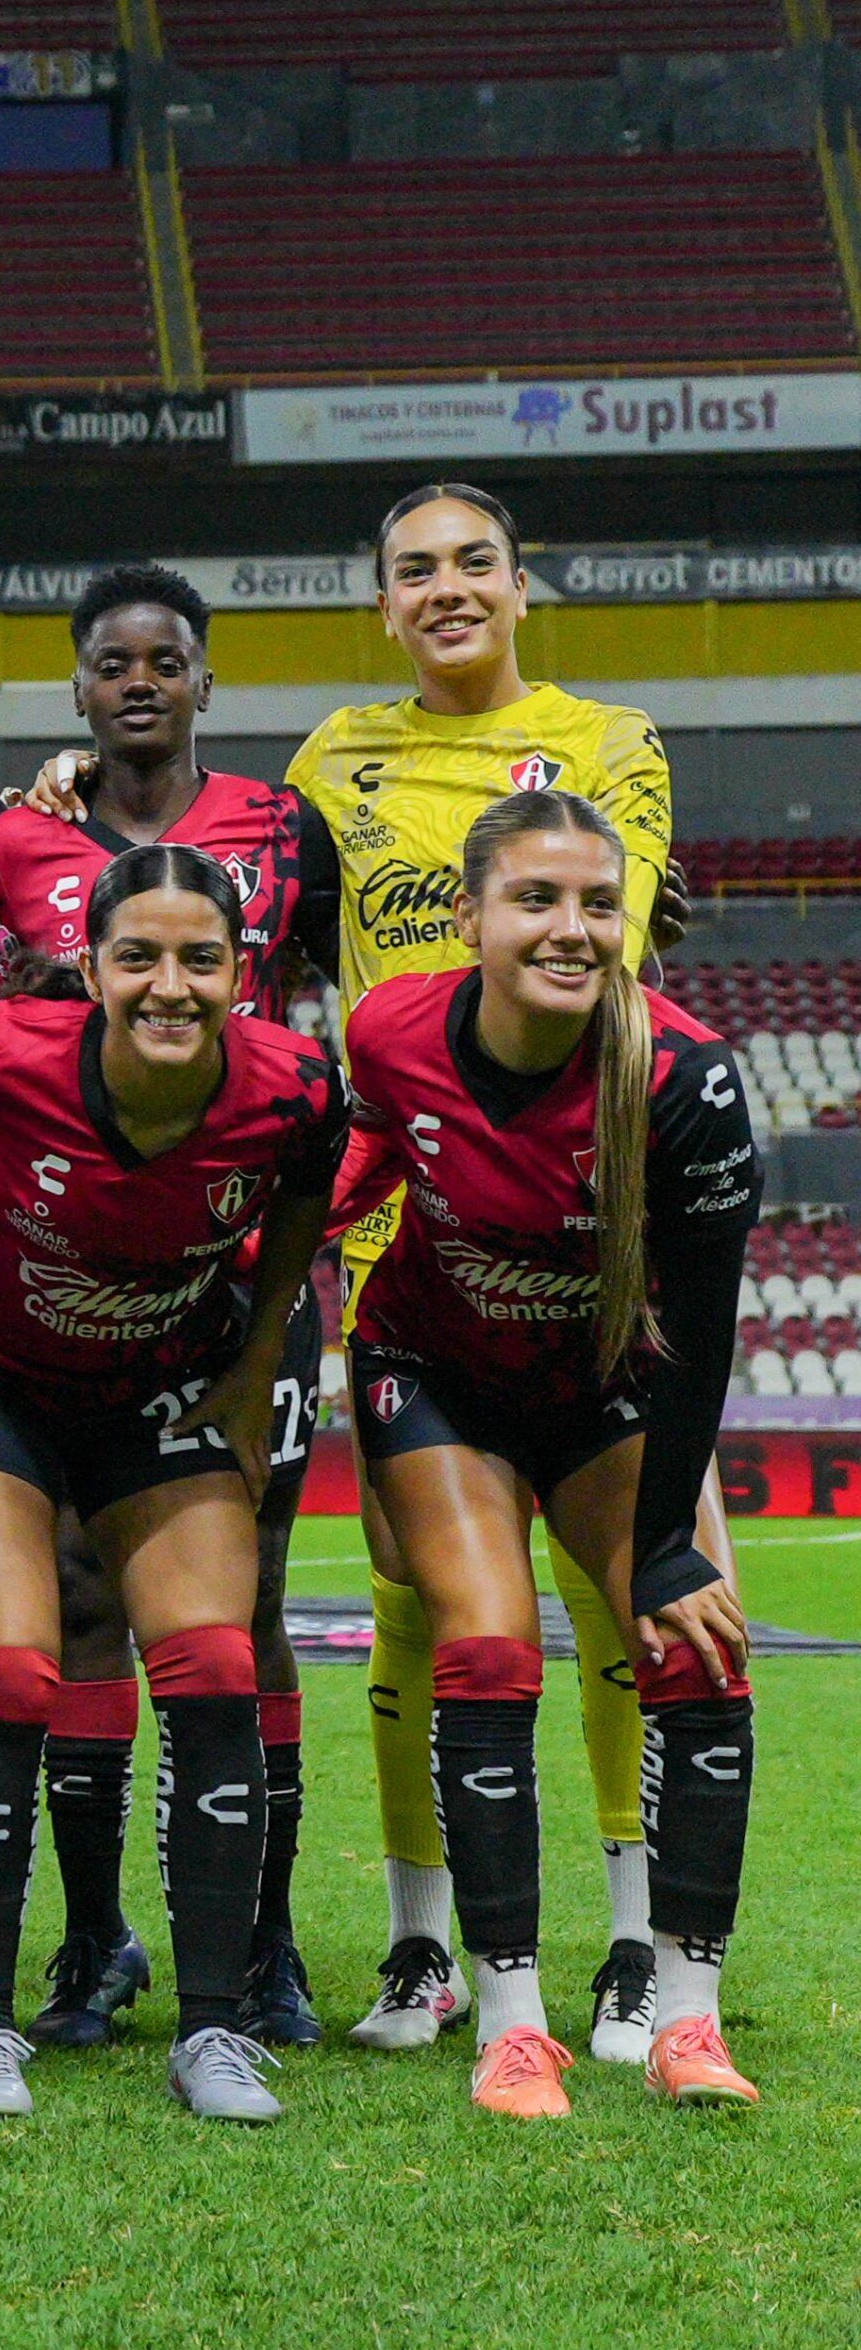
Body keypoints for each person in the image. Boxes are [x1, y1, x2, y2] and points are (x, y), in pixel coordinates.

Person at [280, 485, 681, 2062]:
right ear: (383, 604)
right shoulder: (333, 757)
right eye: (414, 571)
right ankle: (421, 1943)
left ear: (525, 587)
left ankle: (636, 1940)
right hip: (399, 1222)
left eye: (474, 563)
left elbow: (619, 942)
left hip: (578, 1208)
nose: (446, 589)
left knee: (615, 1587)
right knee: (414, 1598)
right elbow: (254, 908)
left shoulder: (609, 739)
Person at [0, 847, 344, 2124]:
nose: (168, 984)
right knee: (14, 1672)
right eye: (136, 957)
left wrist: (259, 1360)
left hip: (162, 1381)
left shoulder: (299, 1085)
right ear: (88, 967)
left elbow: (306, 1193)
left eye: (199, 958)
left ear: (239, 972)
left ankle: (212, 2029)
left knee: (213, 1665)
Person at [336, 790, 759, 2115]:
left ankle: (688, 2016)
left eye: (597, 900)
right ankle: (510, 2025)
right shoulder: (390, 1029)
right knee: (487, 1642)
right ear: (470, 916)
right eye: (537, 898)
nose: (572, 927)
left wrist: (675, 1546)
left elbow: (699, 1328)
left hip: (610, 1392)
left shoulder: (687, 1079)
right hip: (435, 1369)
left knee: (695, 1638)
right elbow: (356, 1163)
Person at [0, 563, 336, 2053]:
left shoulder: (279, 825)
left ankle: (262, 1943)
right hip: (72, 1272)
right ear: (77, 688)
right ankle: (93, 1935)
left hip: (240, 1271)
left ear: (204, 681)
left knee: (243, 1599)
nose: (139, 679)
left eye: (167, 658)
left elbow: (316, 1006)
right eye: (113, 660)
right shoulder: (9, 838)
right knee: (72, 1608)